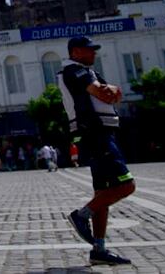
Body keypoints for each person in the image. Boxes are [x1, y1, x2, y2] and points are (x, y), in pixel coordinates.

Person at [60, 35, 135, 266]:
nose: (94, 53)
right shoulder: (75, 71)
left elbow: (115, 94)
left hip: (100, 133)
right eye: (89, 50)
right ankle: (81, 215)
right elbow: (105, 94)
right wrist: (109, 90)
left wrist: (111, 90)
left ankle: (98, 249)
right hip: (96, 133)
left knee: (103, 193)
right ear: (76, 52)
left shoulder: (87, 71)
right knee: (126, 185)